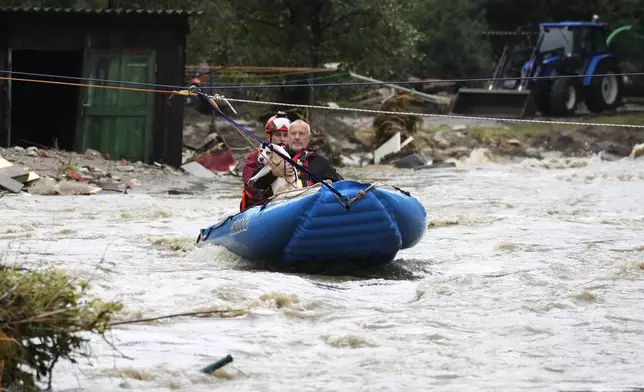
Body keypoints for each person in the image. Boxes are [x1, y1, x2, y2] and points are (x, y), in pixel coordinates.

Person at [240, 112, 293, 211]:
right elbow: (249, 185)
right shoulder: (254, 158)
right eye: (278, 134)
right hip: (261, 206)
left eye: (286, 135)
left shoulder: (293, 156)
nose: (282, 139)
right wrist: (273, 174)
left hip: (289, 202)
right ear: (268, 136)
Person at [286, 119, 343, 187]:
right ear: (287, 136)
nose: (297, 137)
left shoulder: (321, 162)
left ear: (309, 138)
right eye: (293, 133)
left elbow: (342, 186)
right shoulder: (277, 158)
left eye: (301, 134)